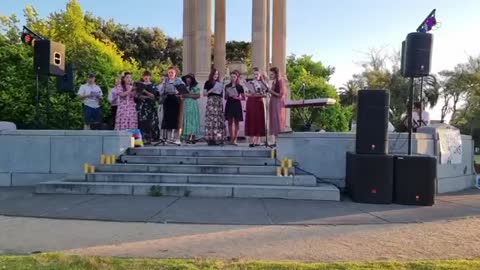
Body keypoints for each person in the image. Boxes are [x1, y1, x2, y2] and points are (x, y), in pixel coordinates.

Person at [159, 66, 184, 145]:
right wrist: (162, 84)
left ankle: (177, 138)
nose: (170, 74)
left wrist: (178, 91)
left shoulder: (179, 80)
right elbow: (161, 91)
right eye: (169, 72)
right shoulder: (165, 81)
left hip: (176, 100)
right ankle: (168, 138)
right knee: (167, 119)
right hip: (167, 100)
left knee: (176, 120)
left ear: (175, 73)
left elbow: (184, 90)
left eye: (172, 72)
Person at [245, 67, 268, 147]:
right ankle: (251, 141)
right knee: (251, 120)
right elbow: (246, 94)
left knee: (258, 120)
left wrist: (259, 94)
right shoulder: (250, 83)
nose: (255, 75)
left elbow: (266, 94)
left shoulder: (263, 83)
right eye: (254, 74)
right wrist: (251, 94)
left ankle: (258, 141)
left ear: (260, 74)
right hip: (251, 102)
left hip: (259, 102)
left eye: (257, 74)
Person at [136, 71, 160, 145]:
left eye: (147, 76)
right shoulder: (140, 85)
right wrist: (147, 96)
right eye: (144, 76)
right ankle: (143, 139)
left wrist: (145, 91)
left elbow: (154, 96)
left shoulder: (153, 86)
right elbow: (138, 96)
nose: (146, 77)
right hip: (142, 107)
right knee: (143, 122)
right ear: (143, 77)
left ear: (150, 77)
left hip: (151, 107)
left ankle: (152, 138)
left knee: (152, 122)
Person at [204, 68, 226, 146]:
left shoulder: (220, 83)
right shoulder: (207, 82)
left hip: (218, 102)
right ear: (211, 74)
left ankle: (218, 138)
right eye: (214, 74)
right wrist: (211, 90)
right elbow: (204, 94)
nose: (216, 76)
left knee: (218, 120)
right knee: (211, 120)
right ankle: (210, 139)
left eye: (217, 74)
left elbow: (222, 94)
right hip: (211, 101)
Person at [224, 70, 245, 145]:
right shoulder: (227, 86)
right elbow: (225, 98)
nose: (233, 78)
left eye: (234, 77)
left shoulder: (239, 87)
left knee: (236, 122)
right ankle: (231, 138)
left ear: (237, 77)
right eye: (232, 77)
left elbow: (243, 98)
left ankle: (235, 139)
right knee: (230, 122)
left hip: (236, 104)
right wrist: (227, 93)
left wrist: (237, 97)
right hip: (229, 104)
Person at [268, 67, 286, 146]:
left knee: (277, 121)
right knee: (273, 121)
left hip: (278, 104)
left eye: (272, 74)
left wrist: (270, 91)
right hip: (273, 102)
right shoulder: (274, 82)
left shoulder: (280, 81)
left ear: (276, 74)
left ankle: (279, 141)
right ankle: (275, 141)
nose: (270, 76)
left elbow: (280, 94)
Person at [181, 73, 201, 144]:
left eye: (189, 78)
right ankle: (186, 136)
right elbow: (182, 95)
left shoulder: (195, 86)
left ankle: (192, 136)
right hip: (185, 104)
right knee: (186, 119)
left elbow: (198, 95)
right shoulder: (184, 86)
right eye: (187, 78)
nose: (187, 79)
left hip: (192, 104)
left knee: (192, 119)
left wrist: (188, 95)